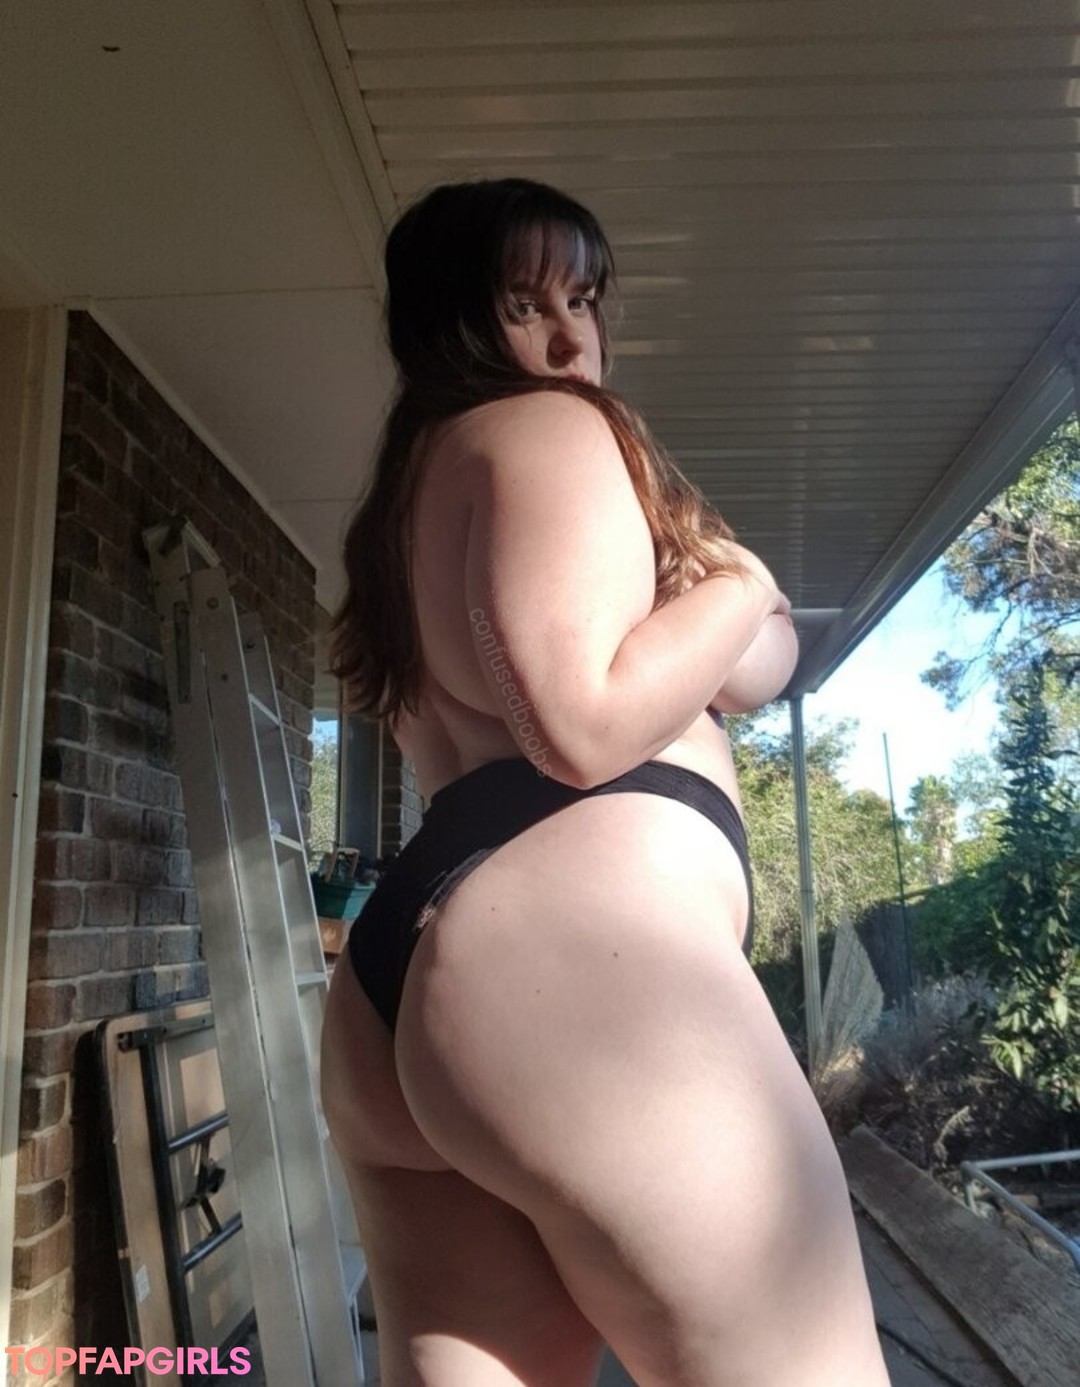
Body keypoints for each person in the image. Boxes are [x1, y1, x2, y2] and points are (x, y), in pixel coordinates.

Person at [321, 179, 889, 1387]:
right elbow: (577, 724)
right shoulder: (550, 432)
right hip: (585, 976)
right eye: (524, 304)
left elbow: (756, 672)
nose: (569, 338)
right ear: (450, 322)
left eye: (582, 300)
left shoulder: (405, 506)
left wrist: (732, 616)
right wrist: (743, 581)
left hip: (409, 979)